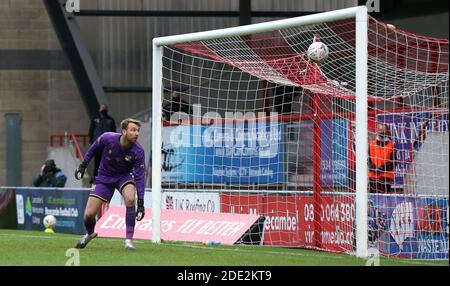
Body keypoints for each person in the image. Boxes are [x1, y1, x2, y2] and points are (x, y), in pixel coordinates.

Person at [74, 118, 146, 250]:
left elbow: (140, 177)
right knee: (89, 215)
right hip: (104, 177)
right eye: (133, 130)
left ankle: (128, 241)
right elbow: (93, 149)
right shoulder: (108, 137)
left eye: (138, 131)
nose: (137, 133)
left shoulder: (138, 151)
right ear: (124, 131)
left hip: (124, 177)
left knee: (130, 198)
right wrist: (83, 165)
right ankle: (90, 234)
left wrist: (140, 202)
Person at [88, 104, 117, 182]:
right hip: (97, 144)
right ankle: (96, 178)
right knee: (97, 162)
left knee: (107, 162)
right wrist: (92, 143)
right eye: (102, 108)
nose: (103, 110)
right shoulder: (95, 119)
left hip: (107, 145)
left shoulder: (110, 120)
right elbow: (91, 132)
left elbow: (114, 133)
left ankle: (106, 177)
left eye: (104, 109)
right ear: (99, 110)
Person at [368, 123, 395, 193]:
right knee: (373, 200)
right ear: (377, 131)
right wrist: (373, 168)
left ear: (387, 131)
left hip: (386, 177)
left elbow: (394, 162)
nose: (381, 131)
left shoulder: (391, 145)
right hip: (373, 177)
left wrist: (382, 168)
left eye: (383, 129)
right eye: (379, 129)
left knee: (384, 201)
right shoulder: (371, 144)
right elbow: (368, 160)